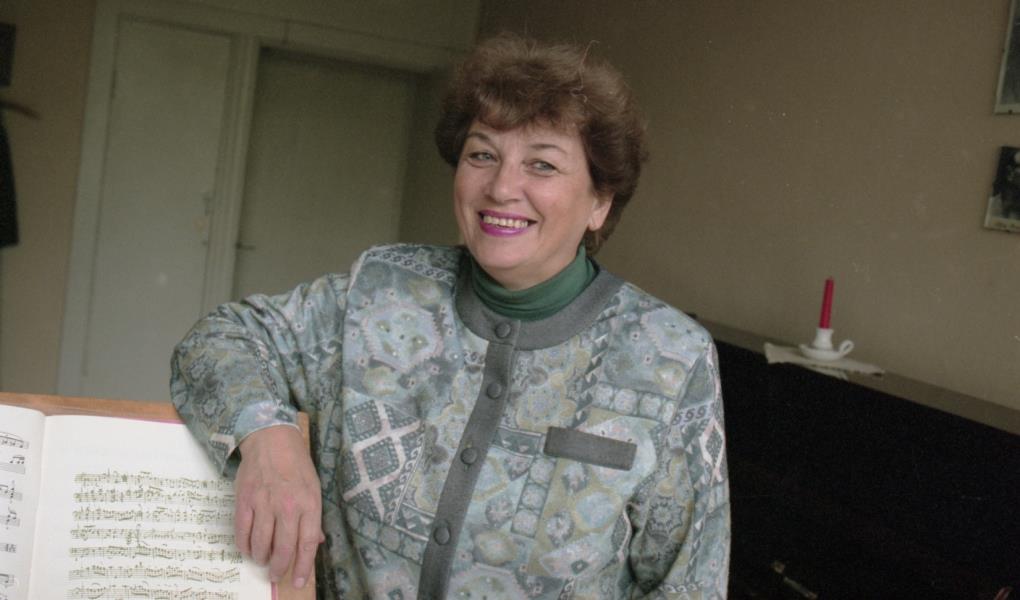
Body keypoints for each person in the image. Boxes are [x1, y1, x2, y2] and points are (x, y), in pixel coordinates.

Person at [171, 33, 730, 599]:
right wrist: (269, 437)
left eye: (542, 164)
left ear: (600, 202)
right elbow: (220, 339)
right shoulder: (378, 291)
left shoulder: (670, 358)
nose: (502, 187)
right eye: (482, 155)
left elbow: (690, 585)